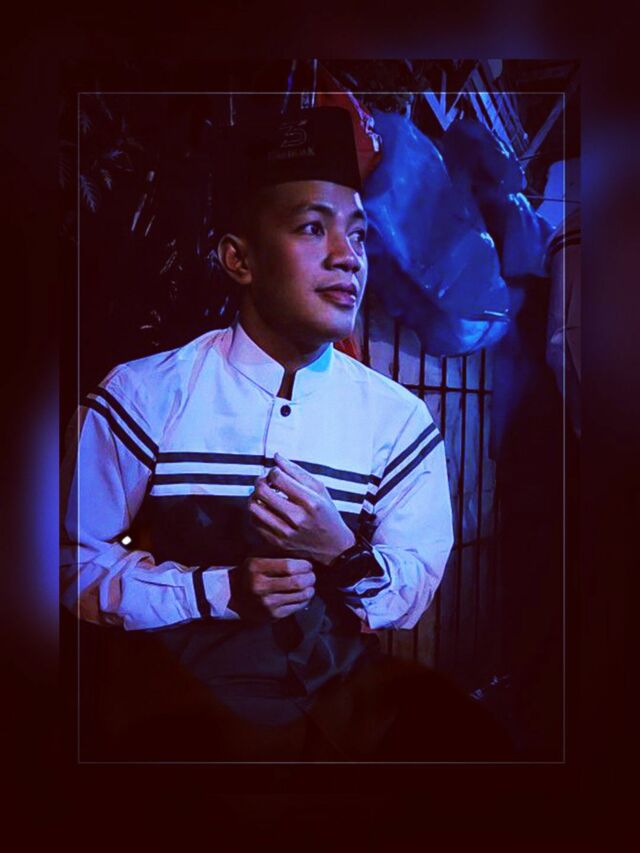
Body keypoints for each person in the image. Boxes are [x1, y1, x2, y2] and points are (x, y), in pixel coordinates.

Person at [61, 106, 511, 761]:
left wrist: (340, 551)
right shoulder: (144, 395)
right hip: (180, 725)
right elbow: (69, 560)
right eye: (311, 227)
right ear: (239, 259)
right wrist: (220, 589)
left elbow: (413, 586)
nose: (348, 258)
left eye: (358, 235)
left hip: (341, 723)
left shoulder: (398, 421)